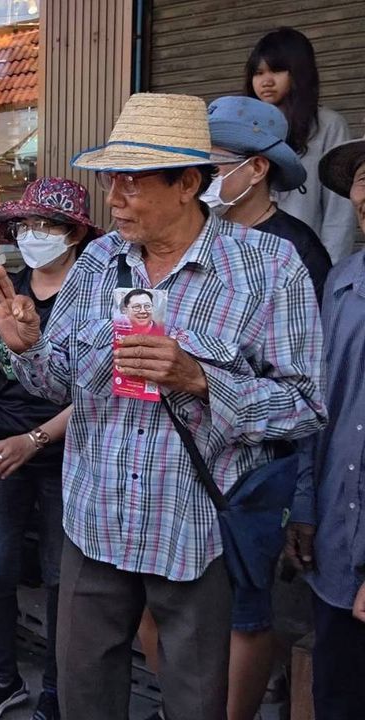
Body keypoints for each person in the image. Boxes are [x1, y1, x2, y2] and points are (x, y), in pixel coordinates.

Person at [0, 93, 325, 719]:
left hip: (194, 529)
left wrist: (201, 380)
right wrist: (26, 349)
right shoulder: (99, 261)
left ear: (188, 183)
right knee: (84, 696)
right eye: (112, 179)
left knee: (196, 702)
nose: (114, 198)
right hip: (94, 521)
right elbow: (58, 382)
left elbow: (305, 406)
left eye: (133, 181)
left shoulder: (269, 269)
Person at [134, 93, 334, 720]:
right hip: (162, 475)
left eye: (214, 165)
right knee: (155, 613)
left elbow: (306, 388)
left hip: (252, 473)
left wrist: (303, 498)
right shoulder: (166, 244)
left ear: (258, 168)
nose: (202, 178)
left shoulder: (292, 252)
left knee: (244, 612)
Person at [0, 178, 98, 720]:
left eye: (47, 225)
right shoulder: (4, 291)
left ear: (75, 233)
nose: (34, 235)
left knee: (64, 580)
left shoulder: (95, 295)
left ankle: (59, 689)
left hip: (70, 456)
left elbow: (101, 390)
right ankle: (2, 677)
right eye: (26, 225)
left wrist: (35, 439)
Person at [287, 137, 365, 720]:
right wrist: (305, 505)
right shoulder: (340, 283)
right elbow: (318, 405)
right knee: (337, 697)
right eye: (364, 181)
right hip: (338, 546)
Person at [245, 27, 356, 264]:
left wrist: (329, 270)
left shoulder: (328, 125)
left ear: (299, 72)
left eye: (277, 70)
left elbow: (339, 211)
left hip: (305, 260)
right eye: (258, 72)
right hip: (247, 260)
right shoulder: (241, 127)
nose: (266, 81)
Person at [205, 95, 331, 297]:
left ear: (257, 169)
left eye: (210, 167)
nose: (197, 178)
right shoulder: (191, 232)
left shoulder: (297, 250)